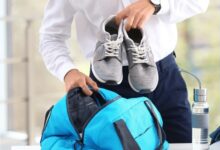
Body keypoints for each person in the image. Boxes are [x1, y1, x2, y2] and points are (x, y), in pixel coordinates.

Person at [39, 0, 209, 143]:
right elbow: (51, 35)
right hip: (107, 86)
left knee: (184, 144)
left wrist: (155, 4)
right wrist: (67, 72)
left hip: (165, 77)